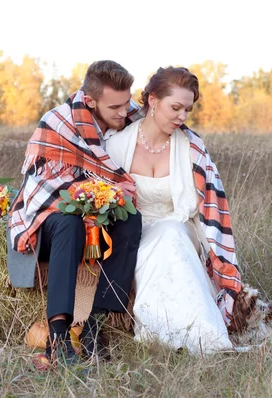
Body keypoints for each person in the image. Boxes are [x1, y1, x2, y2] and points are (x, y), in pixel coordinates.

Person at [8, 60, 143, 365]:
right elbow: (43, 185)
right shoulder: (59, 121)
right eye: (115, 107)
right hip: (50, 209)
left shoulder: (125, 110)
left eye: (127, 103)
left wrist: (100, 200)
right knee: (70, 224)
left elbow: (153, 118)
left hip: (93, 202)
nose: (124, 112)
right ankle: (57, 337)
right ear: (91, 100)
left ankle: (94, 323)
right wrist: (83, 203)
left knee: (130, 217)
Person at [105, 67, 241, 354]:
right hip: (134, 235)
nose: (182, 117)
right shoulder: (116, 145)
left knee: (170, 234)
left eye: (188, 110)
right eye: (175, 107)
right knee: (160, 241)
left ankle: (206, 337)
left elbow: (208, 205)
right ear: (153, 101)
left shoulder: (191, 147)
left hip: (181, 228)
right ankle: (163, 330)